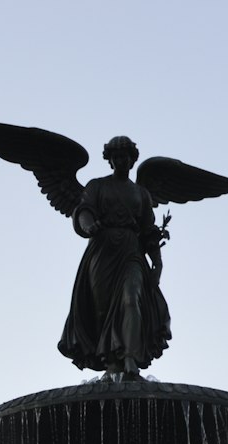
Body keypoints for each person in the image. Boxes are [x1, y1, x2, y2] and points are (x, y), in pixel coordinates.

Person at [58, 135, 170, 377]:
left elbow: (149, 231)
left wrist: (157, 262)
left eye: (125, 156)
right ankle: (110, 361)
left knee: (131, 299)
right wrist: (89, 226)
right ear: (109, 160)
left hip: (131, 251)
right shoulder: (97, 186)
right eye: (116, 156)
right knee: (103, 308)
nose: (121, 160)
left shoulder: (141, 194)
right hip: (102, 251)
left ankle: (130, 357)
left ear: (132, 160)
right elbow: (83, 210)